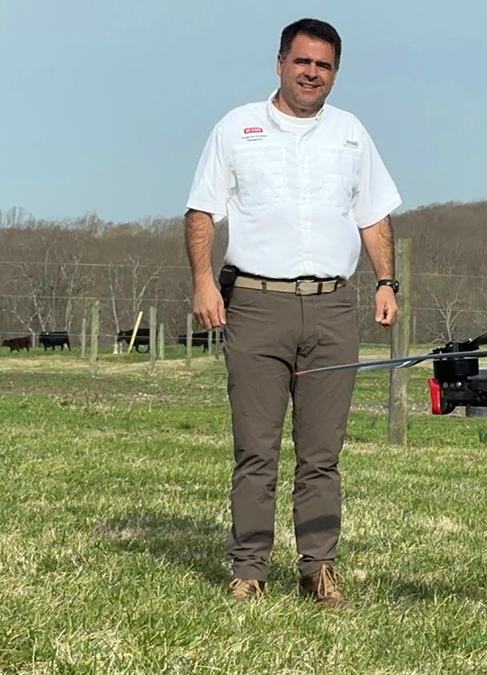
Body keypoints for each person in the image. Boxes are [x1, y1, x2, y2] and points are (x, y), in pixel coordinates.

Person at [184, 18, 403, 608]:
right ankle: (249, 568)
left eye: (324, 66)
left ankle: (318, 569)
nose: (312, 73)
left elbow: (374, 213)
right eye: (303, 62)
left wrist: (386, 281)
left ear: (335, 73)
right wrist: (205, 283)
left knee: (322, 452)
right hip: (256, 305)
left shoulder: (352, 135)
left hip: (333, 307)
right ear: (280, 62)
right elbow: (202, 211)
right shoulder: (238, 128)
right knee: (256, 447)